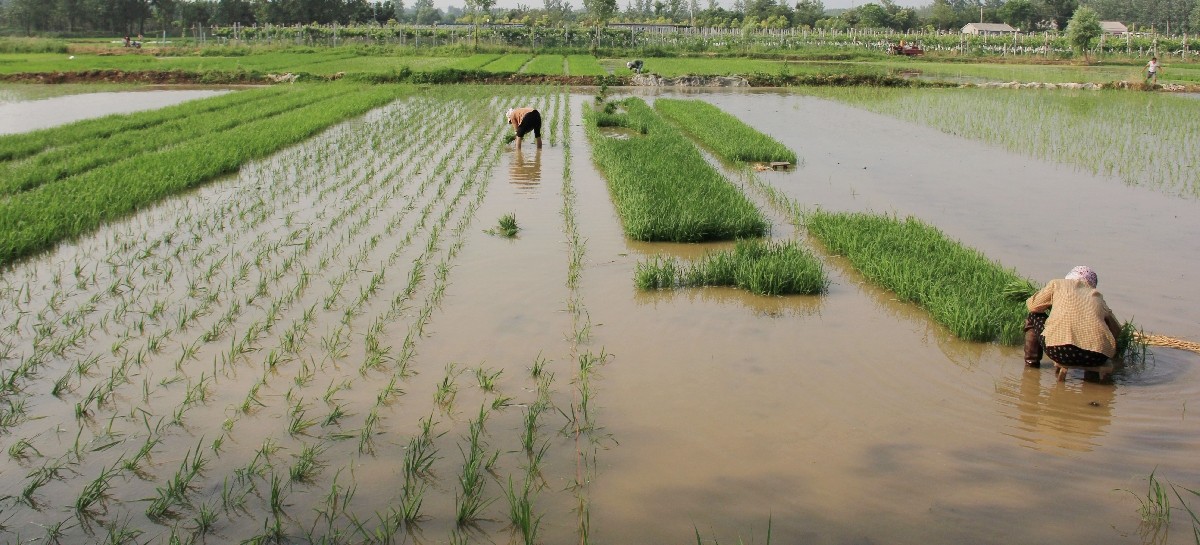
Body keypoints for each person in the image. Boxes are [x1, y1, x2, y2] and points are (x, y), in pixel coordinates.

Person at [1023, 266, 1122, 379]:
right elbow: (1117, 330)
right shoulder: (1097, 295)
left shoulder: (1057, 284)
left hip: (1060, 351)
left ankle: (1031, 365)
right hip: (1097, 357)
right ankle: (1091, 379)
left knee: (1033, 315)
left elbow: (1033, 306)